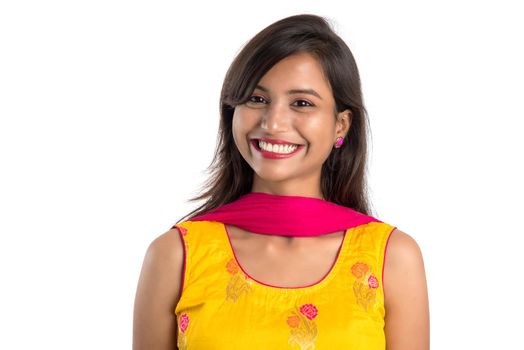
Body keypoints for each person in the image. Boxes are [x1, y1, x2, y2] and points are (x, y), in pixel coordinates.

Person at [133, 14, 429, 350]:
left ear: (341, 126)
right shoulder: (176, 256)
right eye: (256, 99)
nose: (272, 123)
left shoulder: (392, 258)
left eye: (302, 103)